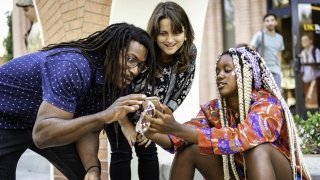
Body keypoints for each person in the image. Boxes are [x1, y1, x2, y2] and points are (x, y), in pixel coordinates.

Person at [0, 22, 155, 180]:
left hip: (41, 122)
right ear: (111, 51)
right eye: (130, 59)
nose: (135, 70)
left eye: (141, 65)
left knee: (86, 175)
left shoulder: (113, 84)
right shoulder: (74, 66)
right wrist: (104, 116)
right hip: (5, 117)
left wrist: (92, 168)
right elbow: (42, 135)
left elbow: (88, 129)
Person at [144, 47, 311, 180]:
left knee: (257, 149)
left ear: (247, 74)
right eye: (217, 71)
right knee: (188, 148)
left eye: (227, 70)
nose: (219, 76)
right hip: (238, 174)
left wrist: (175, 127)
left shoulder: (268, 105)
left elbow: (241, 139)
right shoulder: (213, 109)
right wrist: (152, 130)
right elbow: (178, 138)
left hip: (280, 175)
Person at [105, 1, 197, 180]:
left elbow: (183, 88)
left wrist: (156, 121)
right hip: (120, 110)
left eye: (176, 32)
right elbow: (116, 87)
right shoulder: (143, 51)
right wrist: (126, 125)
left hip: (151, 114)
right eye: (163, 33)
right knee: (121, 153)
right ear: (155, 34)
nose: (170, 39)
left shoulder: (190, 52)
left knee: (148, 152)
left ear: (185, 33)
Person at [250, 13, 284, 90]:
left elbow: (279, 54)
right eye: (267, 21)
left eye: (272, 20)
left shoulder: (280, 38)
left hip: (276, 71)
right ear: (264, 23)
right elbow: (251, 49)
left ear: (276, 22)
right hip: (262, 71)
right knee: (262, 95)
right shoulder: (259, 35)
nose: (270, 22)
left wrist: (280, 68)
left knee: (277, 96)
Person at [300, 34, 320, 108]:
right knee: (308, 101)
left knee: (314, 101)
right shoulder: (302, 53)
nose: (303, 42)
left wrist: (313, 65)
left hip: (315, 80)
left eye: (305, 40)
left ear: (310, 41)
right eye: (302, 40)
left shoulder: (316, 51)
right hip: (306, 80)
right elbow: (302, 69)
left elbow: (318, 64)